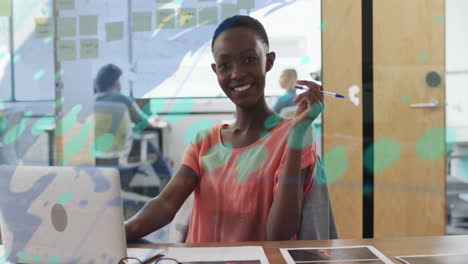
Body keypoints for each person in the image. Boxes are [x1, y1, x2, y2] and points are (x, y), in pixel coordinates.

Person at [125, 15, 324, 243]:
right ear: (215, 70)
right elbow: (166, 203)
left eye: (249, 59)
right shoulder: (204, 142)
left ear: (268, 61)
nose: (237, 73)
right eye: (225, 65)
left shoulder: (294, 135)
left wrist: (297, 135)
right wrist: (118, 232)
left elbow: (279, 234)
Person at [94, 64, 172, 189]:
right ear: (115, 83)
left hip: (96, 158)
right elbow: (143, 123)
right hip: (118, 156)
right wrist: (152, 120)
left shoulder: (93, 101)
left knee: (138, 145)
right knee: (150, 149)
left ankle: (122, 187)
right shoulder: (123, 100)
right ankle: (168, 186)